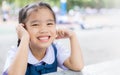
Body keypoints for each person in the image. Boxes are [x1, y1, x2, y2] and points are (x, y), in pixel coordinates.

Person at [2, 1, 84, 75]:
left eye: (49, 24)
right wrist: (24, 38)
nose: (44, 30)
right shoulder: (16, 52)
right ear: (23, 28)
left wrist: (72, 36)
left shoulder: (55, 49)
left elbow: (77, 66)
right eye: (35, 24)